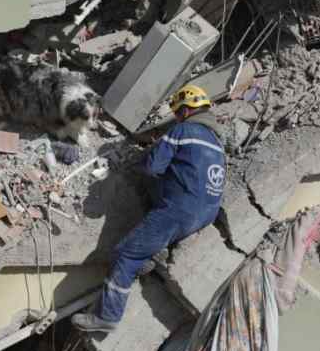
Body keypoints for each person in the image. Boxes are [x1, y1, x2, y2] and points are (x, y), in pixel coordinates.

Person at [72, 84, 226, 332]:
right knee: (158, 211)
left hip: (179, 209)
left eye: (177, 113)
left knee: (125, 253)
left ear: (185, 111)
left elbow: (153, 168)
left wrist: (139, 161)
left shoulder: (182, 130)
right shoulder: (217, 143)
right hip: (205, 212)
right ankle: (152, 253)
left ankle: (108, 316)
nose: (176, 118)